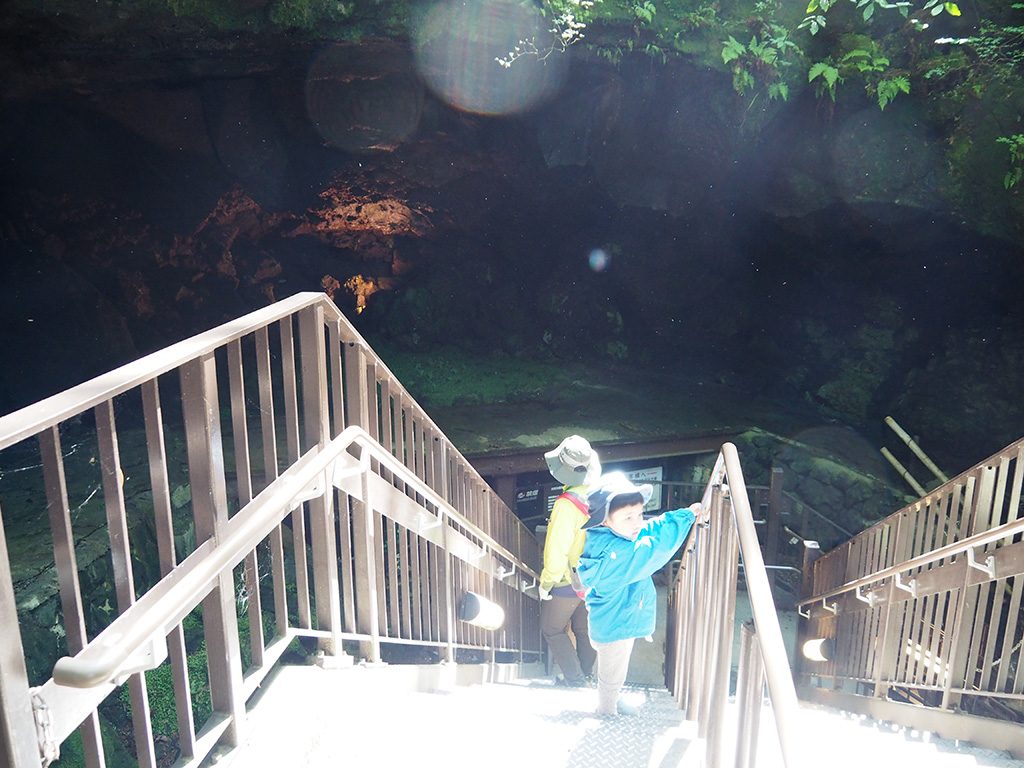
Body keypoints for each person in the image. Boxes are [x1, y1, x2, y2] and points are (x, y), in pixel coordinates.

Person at [576, 471, 701, 715]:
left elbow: (648, 529)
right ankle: (606, 711)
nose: (637, 522)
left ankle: (612, 699)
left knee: (616, 669)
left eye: (640, 514)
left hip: (617, 618)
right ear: (605, 520)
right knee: (611, 672)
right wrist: (684, 520)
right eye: (628, 518)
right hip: (613, 625)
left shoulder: (613, 535)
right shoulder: (614, 556)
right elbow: (654, 549)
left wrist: (684, 514)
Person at [538, 435, 601, 686]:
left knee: (551, 628)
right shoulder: (597, 494)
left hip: (568, 580)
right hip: (593, 576)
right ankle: (585, 674)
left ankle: (575, 680)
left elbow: (557, 550)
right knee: (584, 630)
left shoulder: (566, 506)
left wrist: (546, 582)